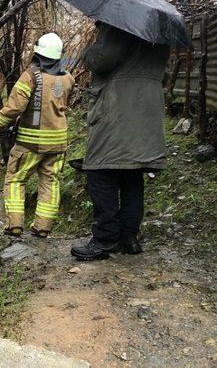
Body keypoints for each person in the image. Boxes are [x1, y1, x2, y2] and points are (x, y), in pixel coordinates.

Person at [71, 23, 170, 261]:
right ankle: (129, 236)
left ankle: (105, 239)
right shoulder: (159, 29)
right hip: (146, 107)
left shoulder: (119, 24)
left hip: (118, 106)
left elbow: (102, 60)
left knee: (99, 170)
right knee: (131, 173)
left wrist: (88, 51)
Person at [0, 32, 75, 237]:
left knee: (15, 179)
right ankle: (43, 228)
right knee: (50, 182)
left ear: (37, 53)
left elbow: (14, 108)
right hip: (58, 143)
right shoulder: (68, 78)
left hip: (30, 143)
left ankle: (14, 225)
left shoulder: (30, 75)